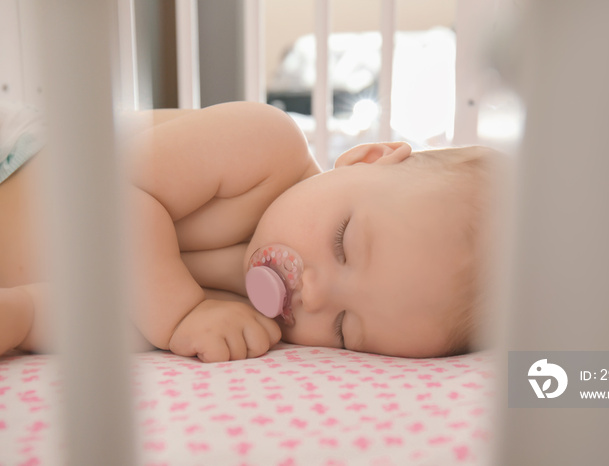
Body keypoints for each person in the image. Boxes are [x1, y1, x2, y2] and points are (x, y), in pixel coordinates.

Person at [0, 101, 496, 362]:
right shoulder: (264, 145)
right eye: (344, 242)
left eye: (345, 329)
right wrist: (181, 314)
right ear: (366, 158)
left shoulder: (246, 322)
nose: (315, 298)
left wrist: (24, 314)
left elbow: (122, 310)